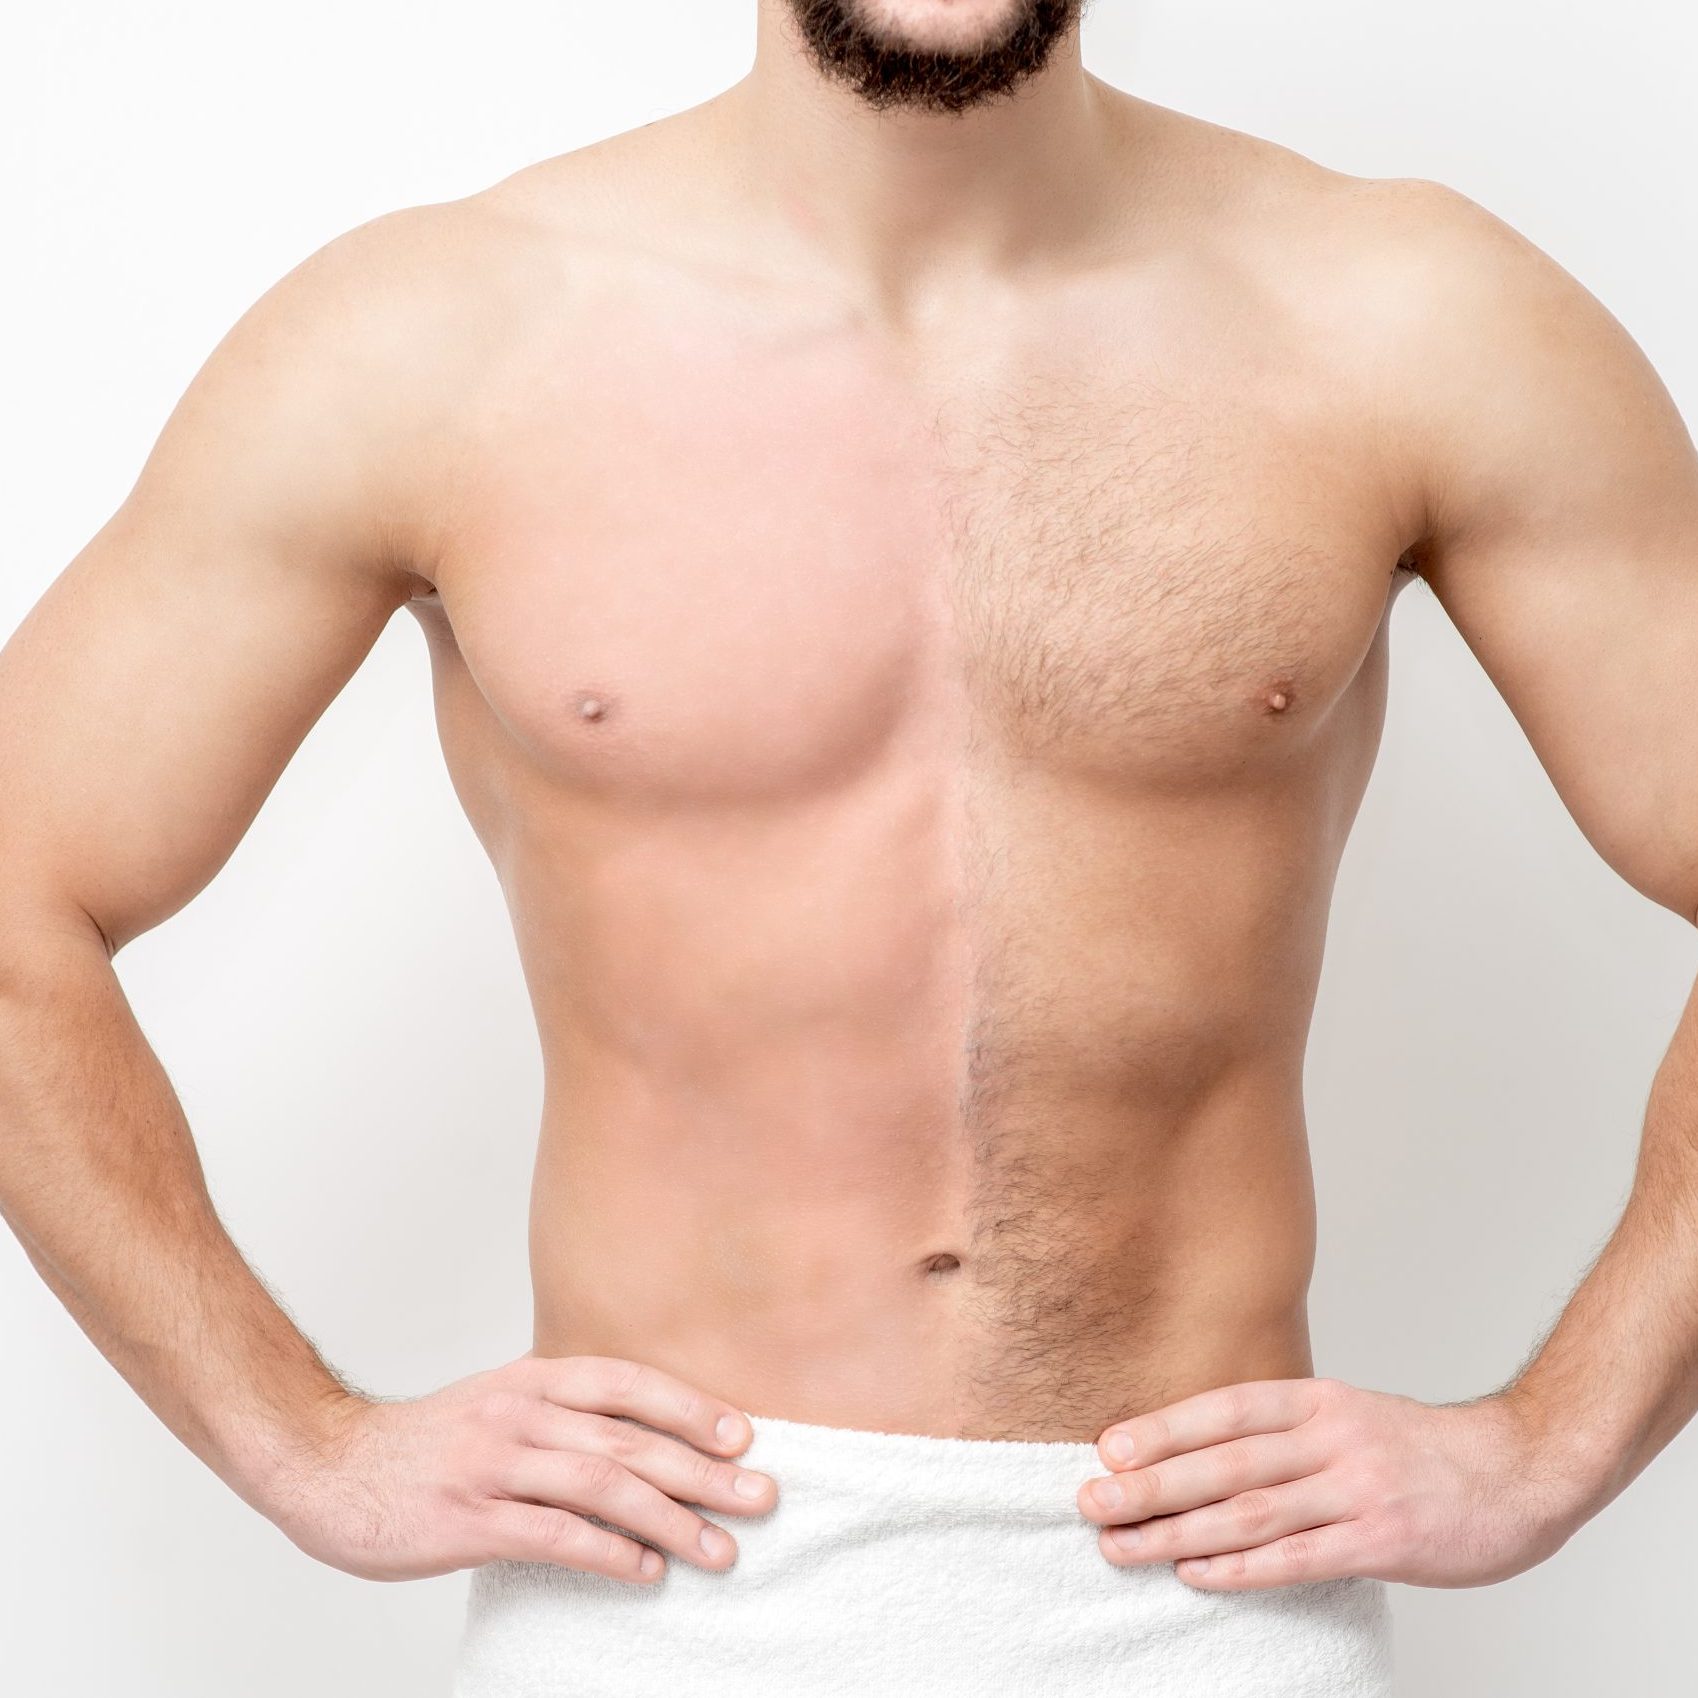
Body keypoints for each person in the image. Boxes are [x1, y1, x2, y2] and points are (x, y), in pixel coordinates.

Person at [3, 1, 1696, 1693]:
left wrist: (1558, 1441)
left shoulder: (1403, 315)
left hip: (1210, 1608)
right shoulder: (435, 338)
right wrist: (303, 1444)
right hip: (652, 1608)